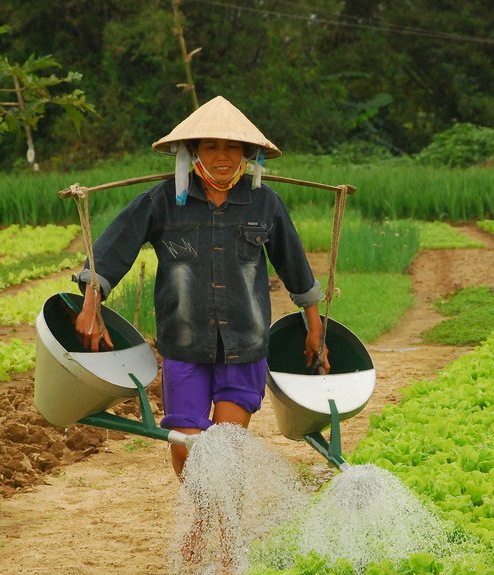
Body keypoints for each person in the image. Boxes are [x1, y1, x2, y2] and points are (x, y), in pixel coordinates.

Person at [74, 95, 329, 481]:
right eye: (211, 146)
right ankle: (206, 517)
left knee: (224, 448)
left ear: (247, 154)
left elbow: (295, 266)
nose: (222, 156)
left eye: (232, 147)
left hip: (245, 346)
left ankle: (216, 534)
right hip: (185, 344)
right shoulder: (163, 200)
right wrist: (91, 306)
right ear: (194, 152)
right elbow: (113, 251)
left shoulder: (264, 204)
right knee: (186, 444)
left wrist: (314, 326)